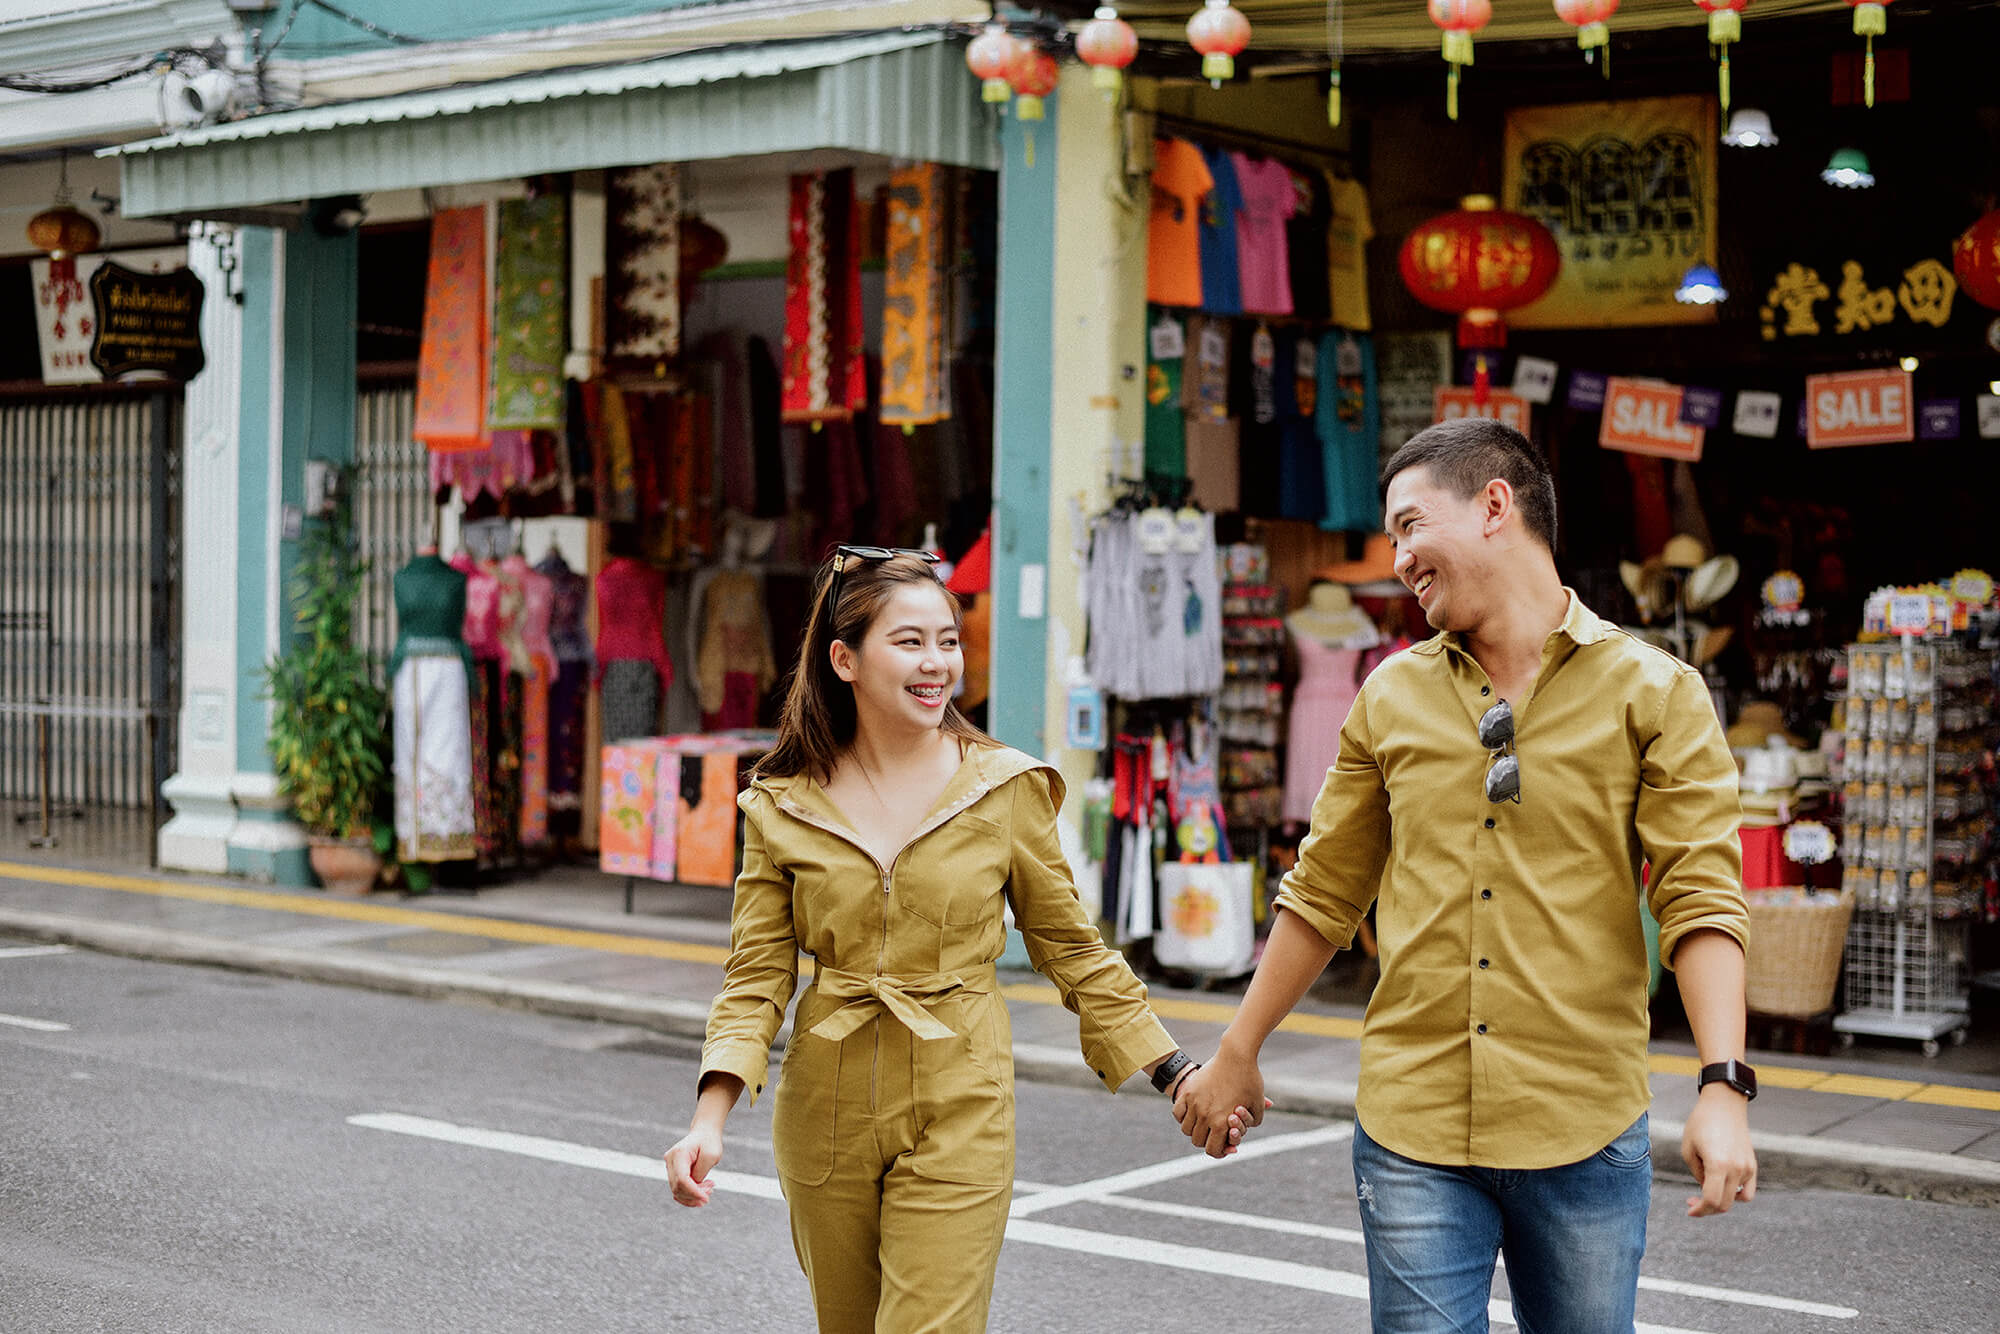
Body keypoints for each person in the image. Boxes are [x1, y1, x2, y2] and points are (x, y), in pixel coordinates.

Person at [1175, 418, 1757, 1332]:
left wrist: (1722, 1084)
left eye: (1411, 524)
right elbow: (1325, 890)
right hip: (1412, 1127)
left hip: (1583, 1125)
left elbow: (1699, 897)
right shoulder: (1390, 694)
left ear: (1495, 505)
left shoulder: (1656, 691)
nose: (1399, 555)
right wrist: (1238, 1049)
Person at [665, 546, 1216, 1333]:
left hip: (962, 1094)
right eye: (910, 641)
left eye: (948, 641)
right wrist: (707, 1119)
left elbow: (1073, 948)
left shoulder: (1004, 787)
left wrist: (1173, 1069)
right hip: (825, 1106)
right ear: (844, 659)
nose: (938, 664)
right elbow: (756, 976)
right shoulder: (782, 805)